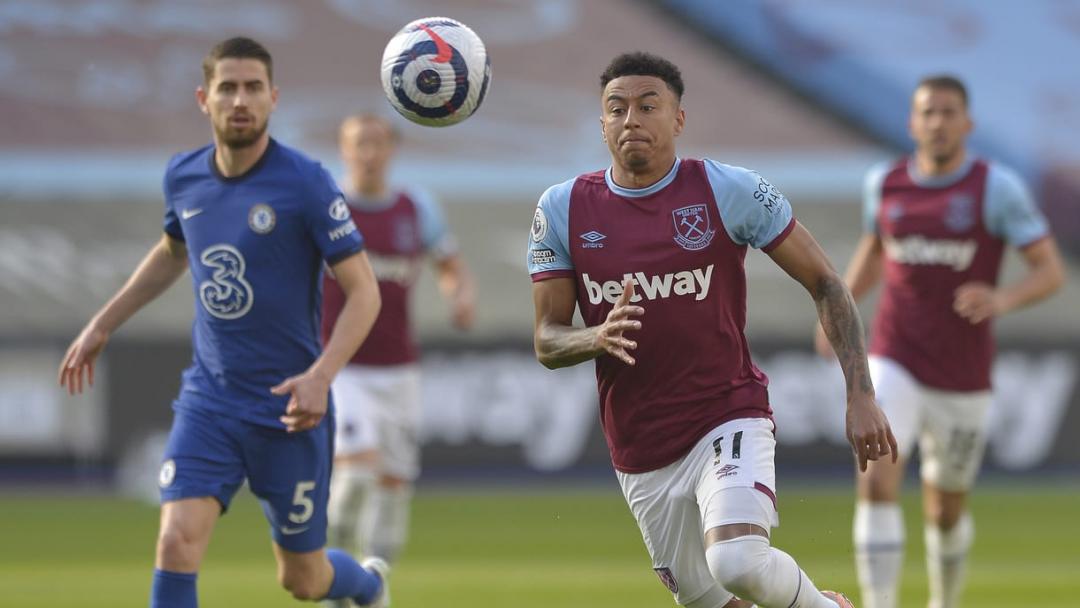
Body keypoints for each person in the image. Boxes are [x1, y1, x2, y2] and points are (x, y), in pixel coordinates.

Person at [527, 51, 895, 608]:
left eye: (649, 106)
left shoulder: (729, 190)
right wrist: (593, 337)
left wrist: (861, 393)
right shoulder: (562, 209)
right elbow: (547, 339)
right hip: (639, 443)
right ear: (602, 123)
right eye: (617, 108)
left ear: (678, 119)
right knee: (713, 601)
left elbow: (826, 282)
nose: (632, 120)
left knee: (738, 561)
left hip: (726, 413)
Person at [57, 37, 393, 607]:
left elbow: (365, 294)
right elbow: (171, 252)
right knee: (176, 543)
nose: (241, 99)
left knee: (303, 581)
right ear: (203, 98)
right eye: (228, 87)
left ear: (274, 98)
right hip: (210, 401)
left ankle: (367, 586)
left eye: (253, 87)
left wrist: (320, 377)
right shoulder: (184, 177)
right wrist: (102, 323)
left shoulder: (305, 182)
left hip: (289, 408)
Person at [815, 75, 1066, 608]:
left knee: (944, 508)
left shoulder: (995, 188)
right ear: (912, 122)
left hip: (962, 374)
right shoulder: (885, 184)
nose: (938, 122)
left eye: (949, 112)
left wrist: (1003, 299)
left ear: (967, 124)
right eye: (928, 112)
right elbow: (874, 253)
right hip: (893, 355)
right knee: (878, 481)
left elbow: (1050, 271)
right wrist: (835, 312)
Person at [320, 114, 474, 578]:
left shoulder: (415, 207)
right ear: (344, 150)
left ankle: (374, 585)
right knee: (356, 474)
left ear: (392, 149)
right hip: (341, 364)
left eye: (377, 143)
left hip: (399, 368)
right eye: (358, 143)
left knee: (393, 487)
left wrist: (460, 293)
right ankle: (330, 568)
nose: (368, 153)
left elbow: (449, 263)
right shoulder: (326, 206)